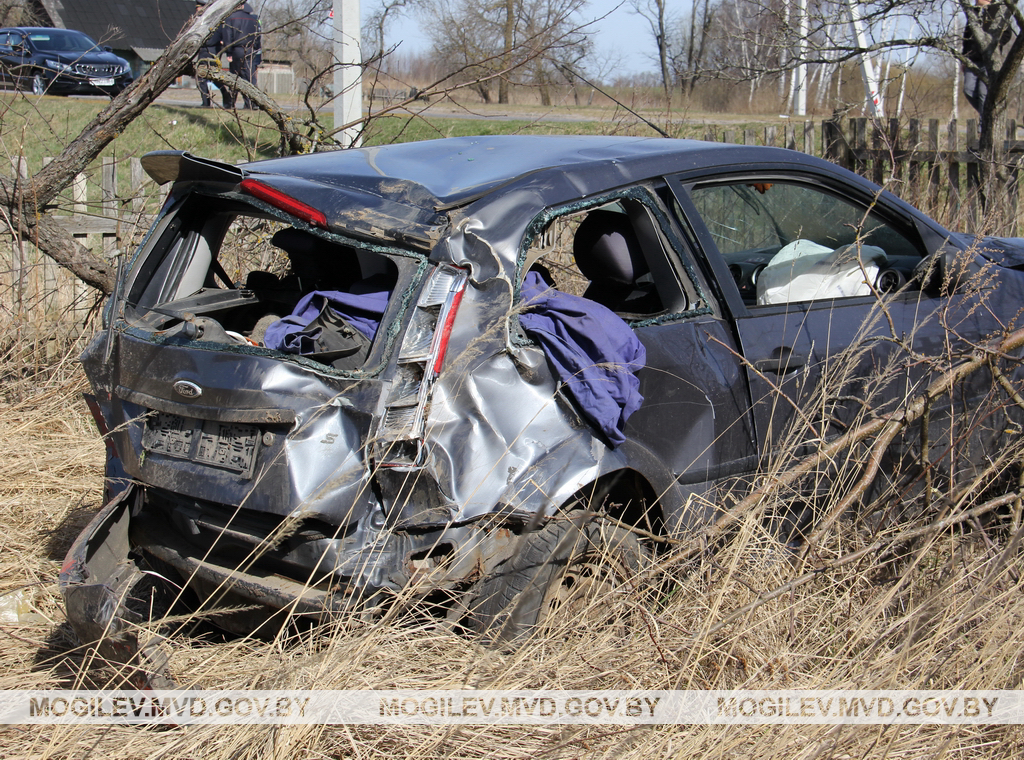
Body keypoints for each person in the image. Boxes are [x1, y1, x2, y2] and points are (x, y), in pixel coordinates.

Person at [962, 0, 1011, 127]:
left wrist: (995, 45)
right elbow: (966, 36)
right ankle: (988, 114)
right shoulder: (973, 12)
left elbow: (1007, 34)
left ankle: (984, 126)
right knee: (968, 89)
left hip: (989, 59)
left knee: (984, 92)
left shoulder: (998, 10)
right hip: (972, 58)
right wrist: (964, 58)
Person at [218, 1, 263, 110]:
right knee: (250, 77)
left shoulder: (231, 18)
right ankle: (251, 103)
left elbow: (228, 37)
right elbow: (257, 37)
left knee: (234, 77)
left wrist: (228, 52)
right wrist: (256, 48)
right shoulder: (254, 19)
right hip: (250, 50)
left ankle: (231, 102)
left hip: (237, 50)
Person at [193, 0, 220, 108]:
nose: (197, 10)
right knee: (201, 78)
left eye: (199, 8)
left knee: (215, 77)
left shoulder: (211, 20)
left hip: (211, 50)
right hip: (203, 51)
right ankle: (206, 101)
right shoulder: (199, 20)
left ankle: (226, 96)